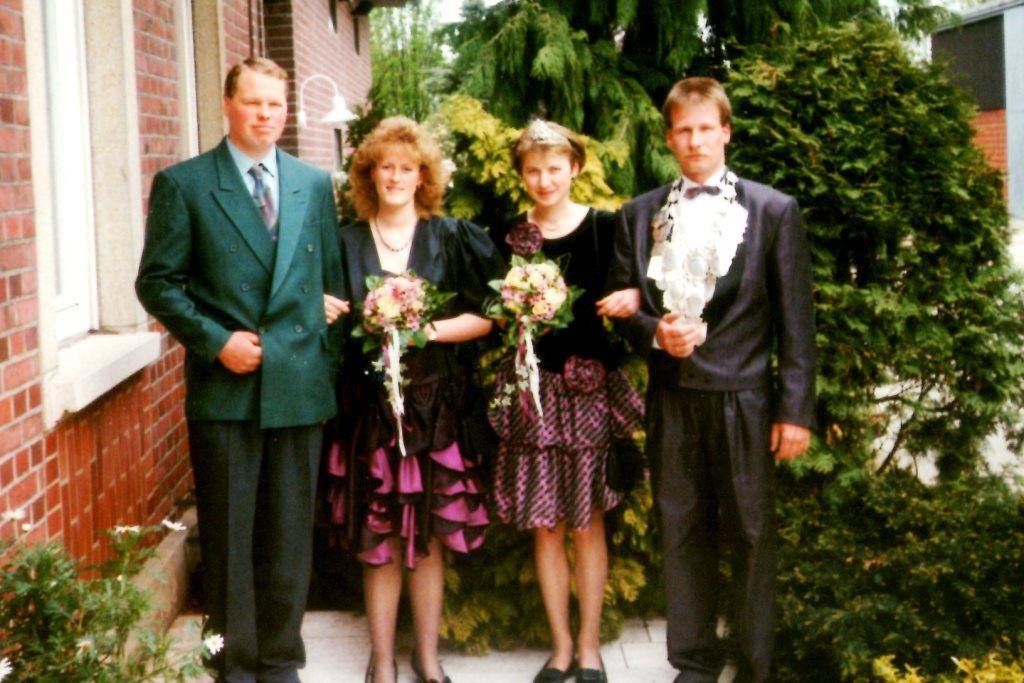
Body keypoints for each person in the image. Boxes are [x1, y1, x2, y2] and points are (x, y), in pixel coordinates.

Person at [135, 57, 345, 683]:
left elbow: (330, 282)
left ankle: (281, 661)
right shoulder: (186, 184)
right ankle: (234, 666)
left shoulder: (312, 183)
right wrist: (216, 341)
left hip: (297, 384)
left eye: (276, 104)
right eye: (253, 102)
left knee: (289, 536)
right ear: (228, 104)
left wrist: (317, 348)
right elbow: (157, 283)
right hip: (227, 385)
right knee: (229, 539)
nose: (265, 115)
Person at [607, 77, 816, 683]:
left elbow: (795, 321)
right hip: (673, 400)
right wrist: (654, 333)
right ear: (669, 139)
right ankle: (695, 663)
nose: (695, 140)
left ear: (725, 132)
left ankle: (753, 666)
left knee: (751, 535)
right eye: (683, 130)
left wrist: (794, 411)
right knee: (681, 531)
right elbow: (621, 309)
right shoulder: (639, 215)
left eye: (705, 128)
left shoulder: (773, 211)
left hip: (746, 398)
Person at [325, 116, 503, 683]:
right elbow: (327, 317)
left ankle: (427, 657)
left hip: (436, 410)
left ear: (423, 176)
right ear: (369, 175)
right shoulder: (345, 242)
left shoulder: (451, 237)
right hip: (369, 411)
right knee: (378, 537)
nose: (396, 177)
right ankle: (381, 661)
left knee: (428, 537)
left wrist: (426, 331)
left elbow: (489, 316)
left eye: (407, 168)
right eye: (386, 167)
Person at [488, 120, 644, 683]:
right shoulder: (509, 234)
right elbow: (493, 313)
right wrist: (514, 310)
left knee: (586, 523)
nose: (544, 179)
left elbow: (633, 291)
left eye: (555, 168)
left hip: (588, 390)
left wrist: (633, 298)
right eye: (533, 170)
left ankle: (589, 647)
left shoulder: (604, 227)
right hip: (535, 389)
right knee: (546, 525)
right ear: (522, 175)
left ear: (574, 168)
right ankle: (559, 647)